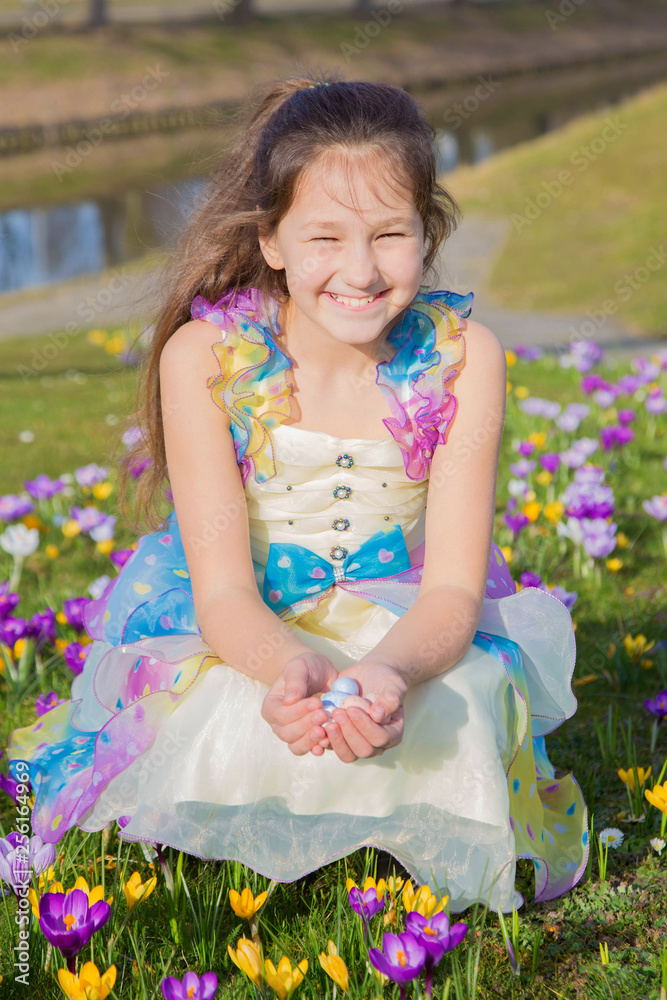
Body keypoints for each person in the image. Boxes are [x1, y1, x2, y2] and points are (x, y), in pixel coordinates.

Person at [8, 73, 587, 913]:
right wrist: (291, 672)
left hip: (406, 623)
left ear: (428, 231)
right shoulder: (204, 357)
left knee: (457, 700)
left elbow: (454, 587)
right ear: (271, 239)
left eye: (390, 234)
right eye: (324, 238)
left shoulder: (468, 358)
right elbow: (224, 593)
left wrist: (388, 674)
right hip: (248, 628)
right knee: (214, 710)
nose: (359, 270)